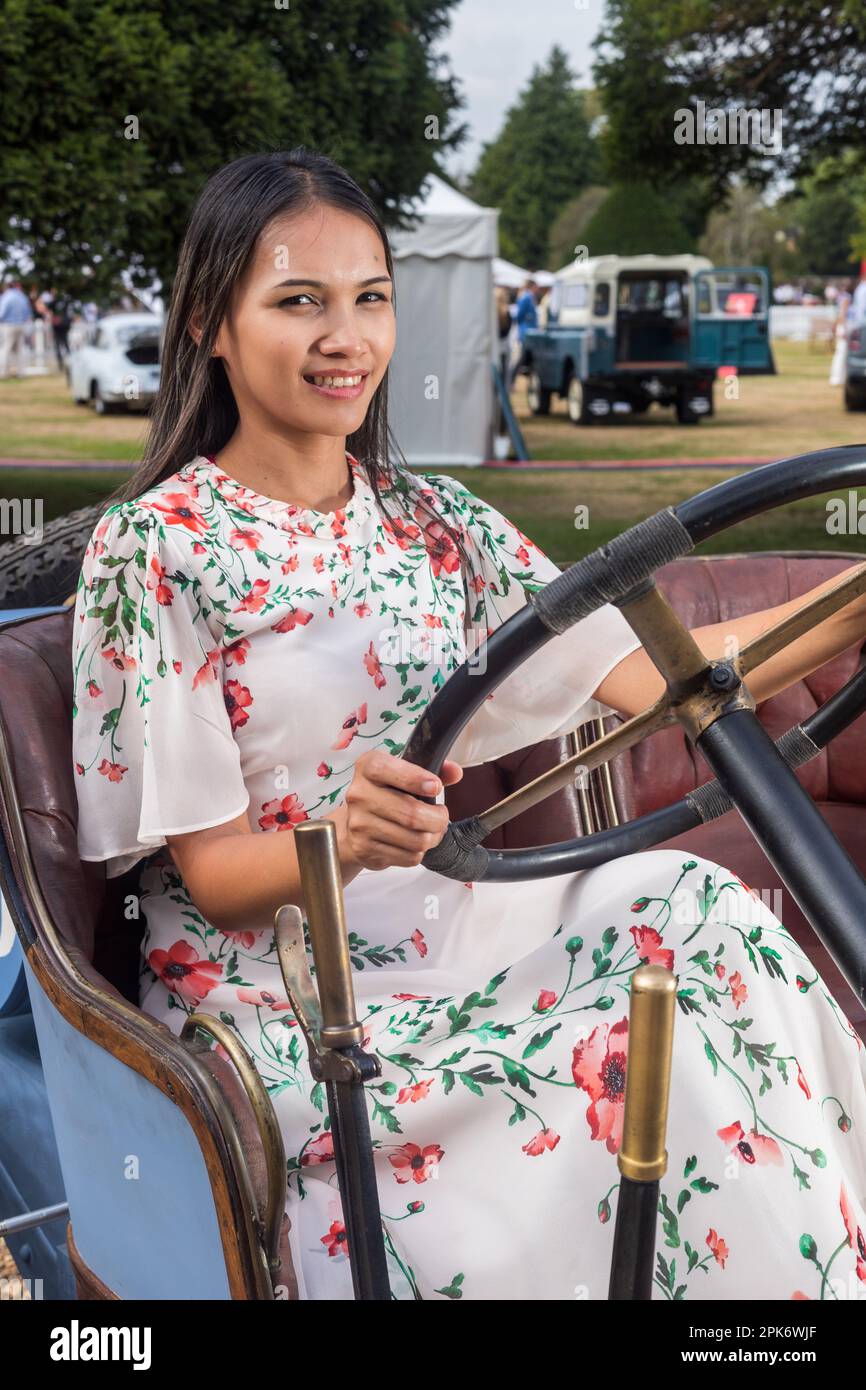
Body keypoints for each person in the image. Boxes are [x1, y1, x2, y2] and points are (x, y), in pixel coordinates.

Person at [70, 147, 866, 1302]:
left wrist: (853, 601)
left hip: (456, 921)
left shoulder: (437, 521)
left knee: (701, 911)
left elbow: (665, 676)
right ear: (208, 323)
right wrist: (343, 839)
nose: (346, 339)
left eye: (369, 299)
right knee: (642, 1063)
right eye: (299, 302)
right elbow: (212, 876)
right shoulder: (155, 549)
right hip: (289, 991)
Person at [508, 277, 538, 391]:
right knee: (520, 359)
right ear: (532, 286)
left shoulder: (529, 297)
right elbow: (519, 315)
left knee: (525, 359)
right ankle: (511, 381)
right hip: (525, 332)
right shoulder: (526, 298)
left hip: (529, 332)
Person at [0, 279, 33, 378]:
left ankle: (3, 372)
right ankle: (21, 372)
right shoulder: (22, 296)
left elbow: (2, 312)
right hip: (21, 325)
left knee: (5, 349)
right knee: (20, 350)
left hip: (8, 326)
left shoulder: (6, 296)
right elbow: (27, 313)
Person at [829, 279, 854, 387]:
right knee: (842, 352)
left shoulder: (842, 296)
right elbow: (843, 314)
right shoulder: (846, 297)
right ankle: (837, 378)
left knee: (842, 352)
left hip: (842, 325)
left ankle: (840, 377)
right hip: (844, 326)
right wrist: (842, 327)